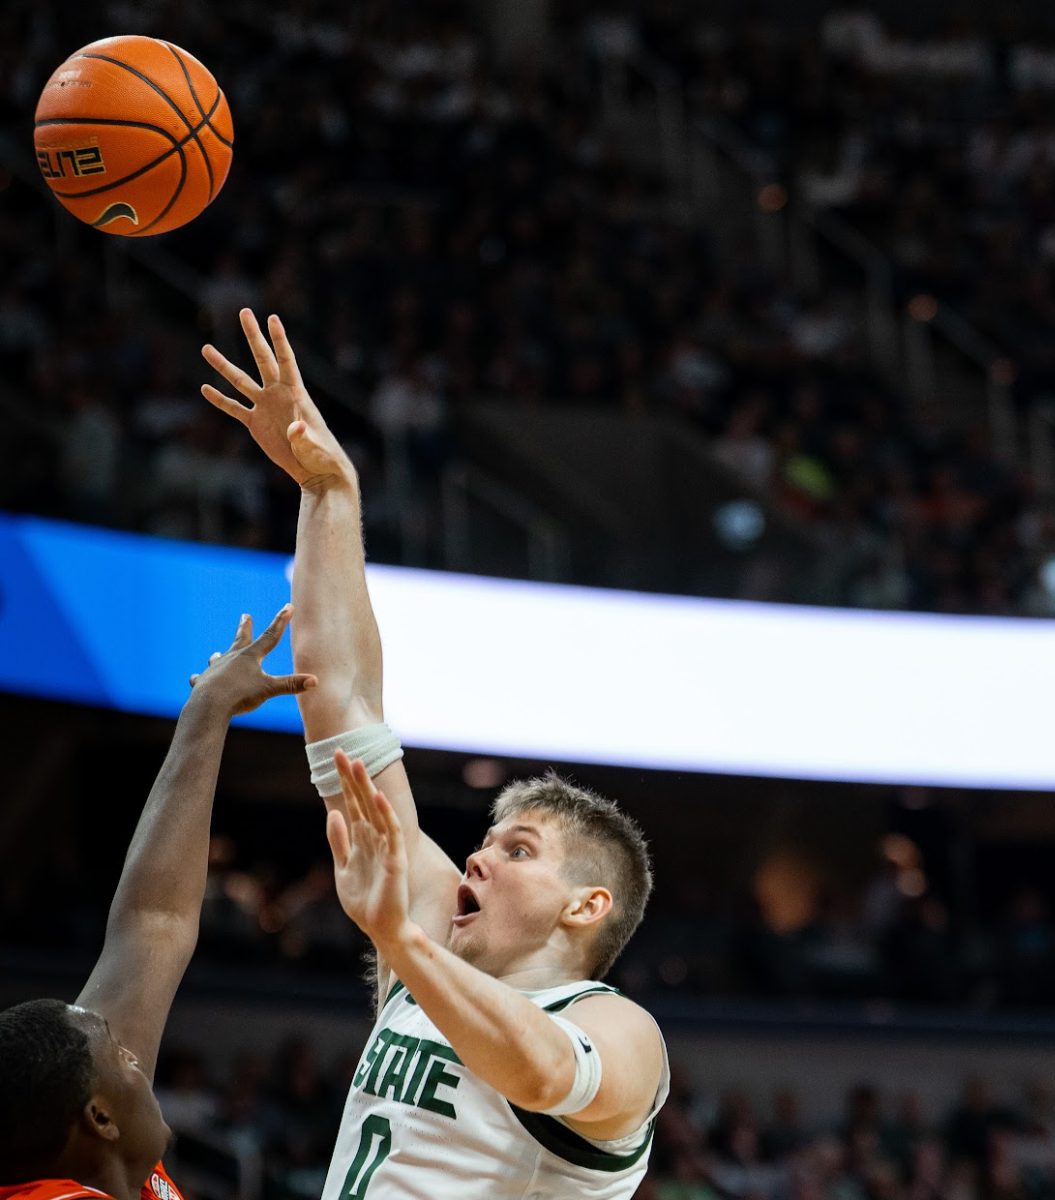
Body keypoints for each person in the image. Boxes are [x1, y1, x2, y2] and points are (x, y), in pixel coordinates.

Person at [201, 308, 670, 1198]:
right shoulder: (431, 945)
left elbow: (540, 1074)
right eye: (491, 840)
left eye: (519, 850)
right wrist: (327, 494)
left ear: (586, 906)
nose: (480, 856)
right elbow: (341, 709)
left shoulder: (619, 1030)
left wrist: (403, 940)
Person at [0, 605, 316, 1200]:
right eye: (119, 1056)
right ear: (99, 1118)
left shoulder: (111, 1160)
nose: (136, 1055)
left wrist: (206, 715)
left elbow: (154, 923)